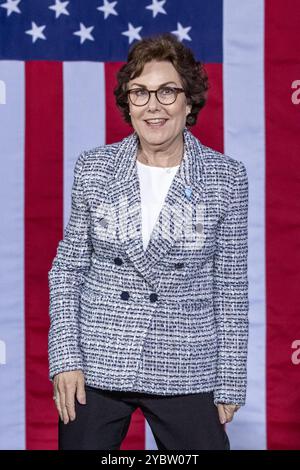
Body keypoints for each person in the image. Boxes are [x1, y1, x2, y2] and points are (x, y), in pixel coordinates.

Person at [48, 32, 249, 450]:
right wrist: (65, 359)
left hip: (185, 363)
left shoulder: (226, 178)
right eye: (139, 92)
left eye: (167, 91)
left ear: (189, 101)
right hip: (99, 361)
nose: (153, 105)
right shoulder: (95, 168)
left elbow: (230, 287)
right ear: (127, 103)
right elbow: (67, 270)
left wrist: (230, 380)